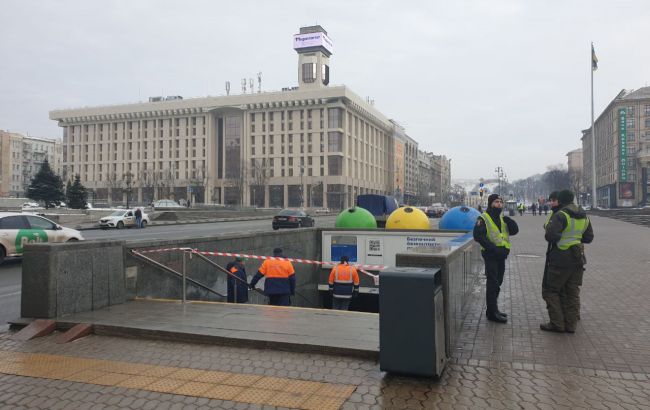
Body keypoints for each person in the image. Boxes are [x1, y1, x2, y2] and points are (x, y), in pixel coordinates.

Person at [541, 190, 593, 333]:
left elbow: (550, 236)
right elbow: (589, 238)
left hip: (560, 258)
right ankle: (571, 325)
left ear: (562, 200)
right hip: (578, 258)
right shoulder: (584, 216)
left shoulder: (561, 215)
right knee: (572, 292)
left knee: (550, 290)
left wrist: (562, 238)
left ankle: (557, 323)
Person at [473, 194, 519, 323]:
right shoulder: (483, 218)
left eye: (500, 202)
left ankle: (492, 310)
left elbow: (514, 231)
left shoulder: (502, 218)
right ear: (490, 204)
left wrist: (511, 222)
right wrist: (493, 248)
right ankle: (492, 313)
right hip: (491, 256)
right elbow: (478, 236)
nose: (499, 204)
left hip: (501, 256)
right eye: (496, 202)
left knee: (498, 282)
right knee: (492, 283)